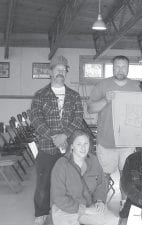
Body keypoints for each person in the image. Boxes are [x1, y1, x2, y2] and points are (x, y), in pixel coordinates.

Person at [30, 55, 84, 225]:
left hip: (69, 148)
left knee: (70, 181)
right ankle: (41, 212)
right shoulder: (40, 95)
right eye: (57, 69)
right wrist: (53, 137)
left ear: (66, 72)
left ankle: (68, 209)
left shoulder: (74, 96)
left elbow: (78, 118)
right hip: (47, 146)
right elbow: (36, 119)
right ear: (50, 72)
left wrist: (64, 136)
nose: (60, 72)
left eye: (63, 69)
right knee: (43, 183)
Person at [87, 55, 141, 209]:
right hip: (106, 141)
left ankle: (125, 204)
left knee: (127, 176)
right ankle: (100, 203)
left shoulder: (135, 87)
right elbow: (90, 109)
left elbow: (141, 113)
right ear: (112, 67)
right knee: (103, 176)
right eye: (117, 66)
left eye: (123, 66)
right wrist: (105, 100)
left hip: (127, 142)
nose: (120, 69)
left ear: (128, 68)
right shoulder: (102, 86)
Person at [51, 129, 118, 225]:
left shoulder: (93, 160)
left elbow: (101, 184)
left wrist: (99, 200)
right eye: (78, 144)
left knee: (112, 222)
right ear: (72, 146)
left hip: (89, 205)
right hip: (65, 210)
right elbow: (58, 198)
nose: (83, 147)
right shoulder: (61, 165)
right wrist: (84, 210)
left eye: (86, 143)